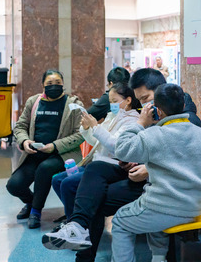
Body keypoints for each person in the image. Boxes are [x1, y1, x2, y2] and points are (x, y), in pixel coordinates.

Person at [42, 70, 201, 262]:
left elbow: (188, 157)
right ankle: (78, 230)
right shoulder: (154, 116)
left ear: (161, 93)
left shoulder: (182, 118)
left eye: (146, 99)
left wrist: (147, 167)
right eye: (141, 101)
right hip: (147, 177)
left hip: (162, 188)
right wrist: (138, 163)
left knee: (94, 199)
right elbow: (141, 150)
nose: (144, 106)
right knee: (96, 172)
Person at [6, 69, 84, 229]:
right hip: (34, 153)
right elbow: (20, 127)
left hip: (60, 155)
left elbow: (80, 134)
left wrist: (55, 146)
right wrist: (25, 141)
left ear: (63, 85)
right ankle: (31, 202)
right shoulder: (33, 102)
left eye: (57, 83)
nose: (53, 86)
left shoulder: (74, 104)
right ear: (43, 85)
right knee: (14, 185)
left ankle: (35, 211)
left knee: (45, 169)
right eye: (49, 83)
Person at [51, 83, 140, 219]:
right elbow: (97, 142)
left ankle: (77, 222)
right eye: (110, 102)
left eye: (115, 101)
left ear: (128, 100)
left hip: (112, 166)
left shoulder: (132, 121)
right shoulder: (112, 117)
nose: (112, 105)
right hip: (97, 163)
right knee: (57, 180)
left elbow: (117, 146)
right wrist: (86, 129)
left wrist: (96, 127)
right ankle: (77, 216)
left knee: (68, 184)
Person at [130, 68, 201, 128]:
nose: (143, 104)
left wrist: (141, 124)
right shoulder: (154, 118)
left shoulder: (189, 121)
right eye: (139, 100)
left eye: (145, 97)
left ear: (159, 90)